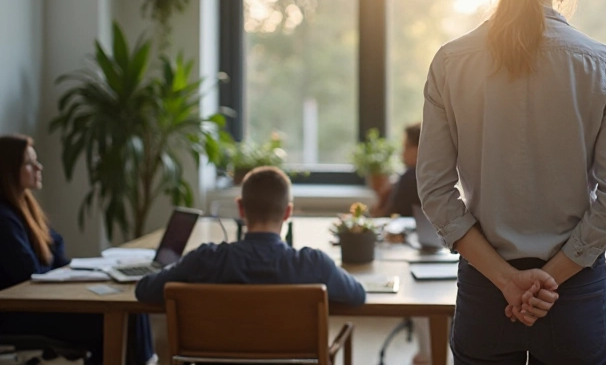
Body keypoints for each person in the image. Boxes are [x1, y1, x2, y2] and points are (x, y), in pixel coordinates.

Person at [417, 0, 606, 365]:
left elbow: (434, 190)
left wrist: (506, 281)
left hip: (485, 291)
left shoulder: (451, 62)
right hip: (573, 293)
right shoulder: (601, 65)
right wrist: (549, 279)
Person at [0, 134, 154, 365]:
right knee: (116, 317)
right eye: (29, 163)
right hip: (17, 313)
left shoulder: (26, 207)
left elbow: (56, 253)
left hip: (37, 303)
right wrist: (51, 261)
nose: (39, 167)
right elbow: (30, 270)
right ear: (9, 170)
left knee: (130, 311)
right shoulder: (4, 217)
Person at [135, 166, 366, 305]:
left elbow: (144, 290)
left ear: (240, 208)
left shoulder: (204, 260)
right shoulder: (314, 265)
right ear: (288, 212)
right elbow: (357, 296)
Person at [371, 122, 421, 218]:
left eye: (406, 147)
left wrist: (382, 198)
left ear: (418, 149)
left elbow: (384, 216)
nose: (402, 153)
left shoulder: (410, 177)